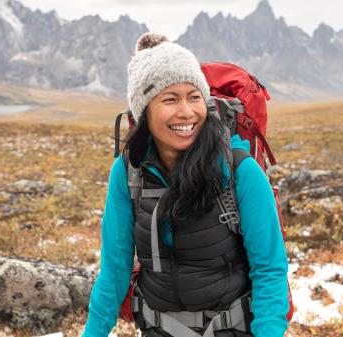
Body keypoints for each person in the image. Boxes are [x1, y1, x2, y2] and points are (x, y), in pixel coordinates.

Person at [81, 33, 290, 337]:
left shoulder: (240, 171)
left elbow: (270, 271)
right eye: (170, 99)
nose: (187, 112)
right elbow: (115, 270)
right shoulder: (128, 173)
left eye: (194, 96)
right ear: (144, 110)